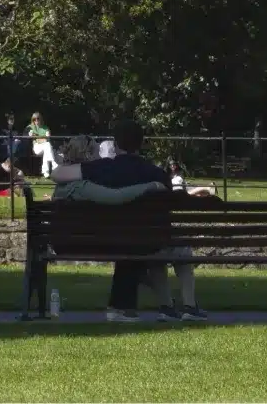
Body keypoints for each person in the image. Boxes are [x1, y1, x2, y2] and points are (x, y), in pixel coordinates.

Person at [73, 128, 174, 321]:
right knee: (135, 243)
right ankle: (130, 307)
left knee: (128, 242)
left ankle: (122, 307)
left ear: (116, 145)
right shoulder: (157, 174)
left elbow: (59, 174)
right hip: (148, 239)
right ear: (141, 144)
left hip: (103, 238)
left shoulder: (101, 169)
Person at [28, 112, 55, 178]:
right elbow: (30, 137)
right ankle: (54, 165)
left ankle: (45, 172)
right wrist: (32, 136)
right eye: (34, 119)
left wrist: (39, 138)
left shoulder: (45, 128)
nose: (36, 121)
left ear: (41, 119)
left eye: (38, 119)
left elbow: (48, 139)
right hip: (36, 147)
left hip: (45, 146)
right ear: (32, 120)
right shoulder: (30, 127)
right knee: (48, 146)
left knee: (47, 147)